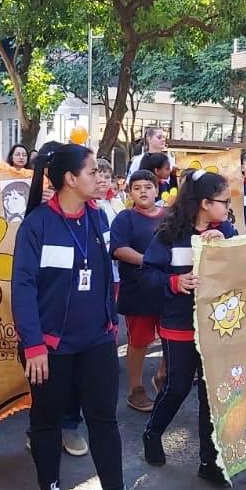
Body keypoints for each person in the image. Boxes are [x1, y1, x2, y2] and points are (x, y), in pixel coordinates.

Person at [12, 141, 152, 490]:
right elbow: (22, 287)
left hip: (97, 340)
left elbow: (109, 270)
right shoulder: (37, 224)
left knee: (103, 418)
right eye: (92, 172)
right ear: (70, 179)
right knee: (46, 419)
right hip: (51, 347)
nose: (100, 178)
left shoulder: (99, 217)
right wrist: (34, 344)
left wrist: (111, 324)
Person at [140, 169, 235, 486]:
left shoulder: (228, 231)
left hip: (217, 326)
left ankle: (210, 461)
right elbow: (147, 275)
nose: (227, 208)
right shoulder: (169, 234)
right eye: (224, 201)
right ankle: (152, 433)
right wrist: (174, 282)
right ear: (205, 203)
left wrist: (227, 247)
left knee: (212, 395)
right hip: (179, 324)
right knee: (178, 387)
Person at [110, 169, 166, 412]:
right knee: (140, 340)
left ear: (157, 190)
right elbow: (119, 249)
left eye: (148, 186)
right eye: (137, 187)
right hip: (138, 290)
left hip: (169, 288)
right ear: (130, 192)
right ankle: (135, 389)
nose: (143, 191)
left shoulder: (170, 217)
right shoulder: (125, 218)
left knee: (170, 336)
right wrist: (149, 260)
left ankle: (162, 376)